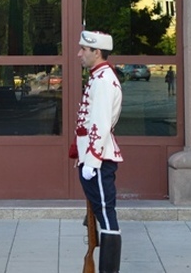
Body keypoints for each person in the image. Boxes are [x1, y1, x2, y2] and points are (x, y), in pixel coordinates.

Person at [73, 30, 123, 273]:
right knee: (100, 215)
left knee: (106, 216)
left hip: (99, 160)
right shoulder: (98, 77)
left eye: (84, 49)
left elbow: (100, 124)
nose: (79, 53)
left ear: (97, 52)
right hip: (93, 158)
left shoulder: (103, 80)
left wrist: (91, 161)